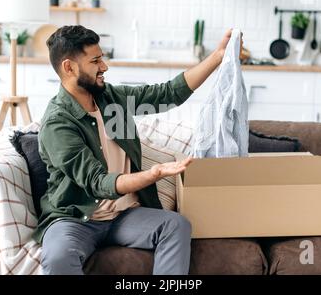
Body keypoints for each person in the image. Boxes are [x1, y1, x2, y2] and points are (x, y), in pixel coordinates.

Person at [34, 25, 235, 275]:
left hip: (123, 215)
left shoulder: (111, 99)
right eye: (95, 61)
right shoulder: (58, 122)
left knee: (175, 226)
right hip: (76, 218)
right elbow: (98, 182)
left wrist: (217, 56)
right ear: (69, 67)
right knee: (58, 257)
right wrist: (154, 174)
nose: (104, 67)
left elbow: (168, 93)